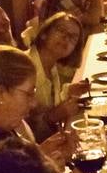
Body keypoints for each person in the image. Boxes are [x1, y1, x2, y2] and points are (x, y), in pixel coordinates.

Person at [23, 13, 88, 141]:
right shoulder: (25, 67)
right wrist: (52, 117)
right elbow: (20, 132)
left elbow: (48, 102)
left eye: (73, 38)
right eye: (61, 30)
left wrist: (69, 91)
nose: (66, 38)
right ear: (44, 34)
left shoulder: (51, 66)